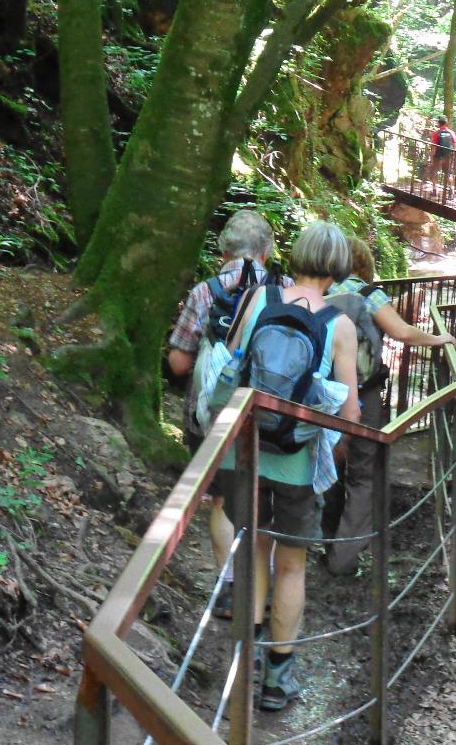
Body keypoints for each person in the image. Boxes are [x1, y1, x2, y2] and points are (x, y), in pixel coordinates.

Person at [239, 221, 360, 712]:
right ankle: (276, 681)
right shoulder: (340, 324)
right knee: (291, 566)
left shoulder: (258, 302)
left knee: (254, 549)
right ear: (338, 269)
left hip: (246, 449)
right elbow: (350, 412)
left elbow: (233, 367)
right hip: (297, 461)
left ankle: (242, 661)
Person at [165, 210, 285, 619]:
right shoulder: (285, 289)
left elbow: (180, 365)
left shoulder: (205, 291)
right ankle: (264, 589)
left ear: (223, 250)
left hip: (213, 413)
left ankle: (231, 588)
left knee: (221, 500)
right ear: (267, 251)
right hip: (272, 413)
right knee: (264, 498)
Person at [323, 237, 456, 576]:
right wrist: (438, 339)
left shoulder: (321, 290)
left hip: (323, 394)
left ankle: (326, 541)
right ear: (364, 264)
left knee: (328, 464)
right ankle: (344, 558)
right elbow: (402, 333)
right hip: (363, 393)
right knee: (364, 472)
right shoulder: (370, 295)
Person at [429, 116, 456, 187]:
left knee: (435, 171)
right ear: (446, 123)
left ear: (439, 123)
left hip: (438, 155)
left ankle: (434, 190)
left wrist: (432, 156)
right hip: (448, 155)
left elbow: (434, 146)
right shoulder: (451, 133)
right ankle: (451, 190)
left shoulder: (436, 133)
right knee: (448, 173)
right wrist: (453, 154)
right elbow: (455, 145)